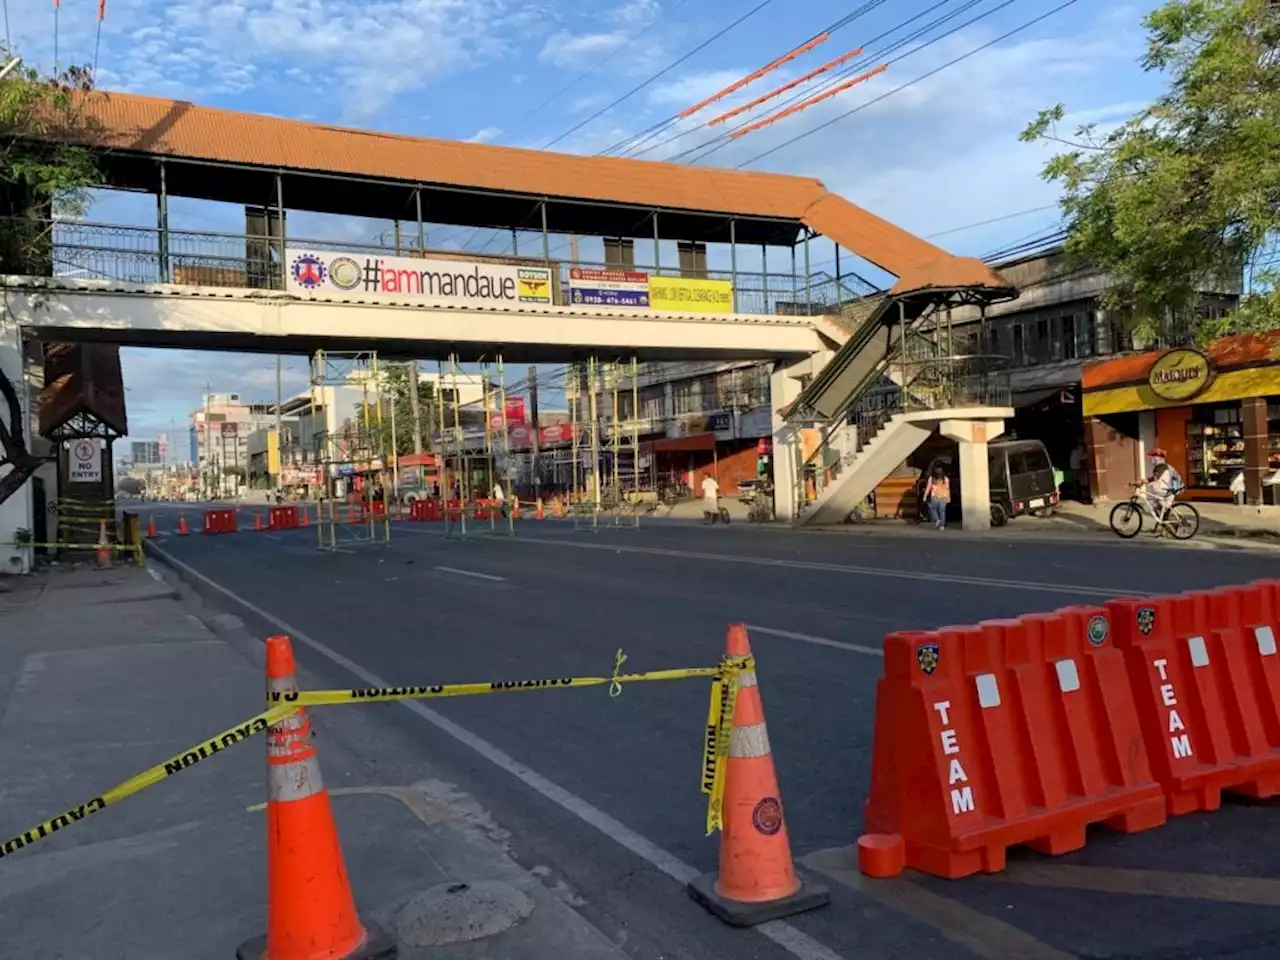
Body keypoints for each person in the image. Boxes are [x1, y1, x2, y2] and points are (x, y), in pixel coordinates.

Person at [1144, 448, 1183, 524]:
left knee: (1153, 487)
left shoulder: (1161, 466)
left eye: (1152, 457)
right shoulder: (1163, 466)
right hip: (1170, 490)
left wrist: (1142, 481)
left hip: (1169, 491)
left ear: (1157, 458)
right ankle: (1164, 527)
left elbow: (1155, 478)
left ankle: (1171, 524)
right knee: (1158, 506)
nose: (1151, 460)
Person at [924, 464, 951, 531]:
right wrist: (949, 497)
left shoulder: (932, 478)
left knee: (933, 509)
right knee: (942, 511)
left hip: (934, 496)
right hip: (943, 496)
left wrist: (925, 496)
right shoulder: (945, 478)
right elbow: (947, 488)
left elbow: (928, 487)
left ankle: (938, 520)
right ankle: (942, 527)